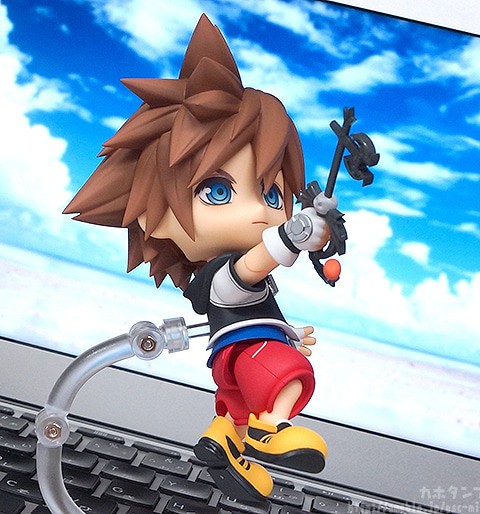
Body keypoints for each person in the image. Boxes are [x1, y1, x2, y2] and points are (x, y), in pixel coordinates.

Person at [65, 14, 333, 502]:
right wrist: (293, 234)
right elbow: (255, 266)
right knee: (291, 376)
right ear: (152, 219)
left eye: (273, 195)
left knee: (236, 405)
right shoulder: (218, 276)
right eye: (217, 191)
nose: (260, 211)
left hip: (232, 358)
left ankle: (225, 440)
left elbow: (256, 299)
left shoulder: (216, 286)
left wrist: (289, 330)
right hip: (247, 353)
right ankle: (271, 429)